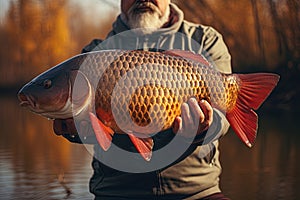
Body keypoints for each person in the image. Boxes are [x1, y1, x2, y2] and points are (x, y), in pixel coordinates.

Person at [54, 0, 232, 199]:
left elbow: (223, 118)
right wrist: (76, 130)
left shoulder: (204, 40)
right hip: (117, 192)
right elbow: (86, 129)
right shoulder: (94, 53)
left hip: (196, 191)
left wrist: (204, 127)